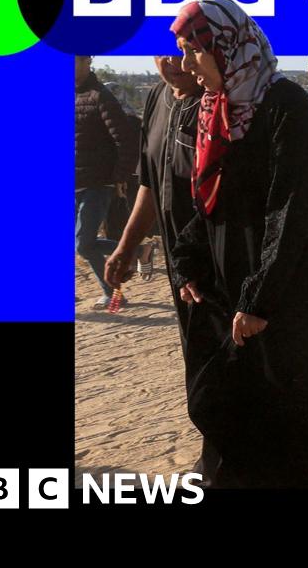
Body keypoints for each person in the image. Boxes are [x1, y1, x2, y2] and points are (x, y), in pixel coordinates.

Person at [168, 0, 308, 488]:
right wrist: (189, 261)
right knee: (228, 404)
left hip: (282, 288)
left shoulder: (284, 104)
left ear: (226, 46)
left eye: (195, 51)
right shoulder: (214, 109)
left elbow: (290, 208)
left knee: (287, 406)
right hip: (228, 284)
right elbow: (210, 202)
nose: (188, 64)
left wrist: (259, 299)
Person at [102, 55, 220, 482]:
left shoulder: (223, 101)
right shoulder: (156, 99)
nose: (172, 60)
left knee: (221, 357)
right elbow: (150, 183)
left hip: (221, 256)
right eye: (161, 49)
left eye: (183, 47)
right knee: (198, 354)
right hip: (179, 259)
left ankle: (223, 462)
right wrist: (126, 246)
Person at [75, 55, 139, 310]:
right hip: (75, 182)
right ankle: (139, 251)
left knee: (84, 244)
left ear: (87, 61)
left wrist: (120, 177)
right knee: (82, 243)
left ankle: (114, 292)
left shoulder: (101, 97)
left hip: (98, 183)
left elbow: (126, 141)